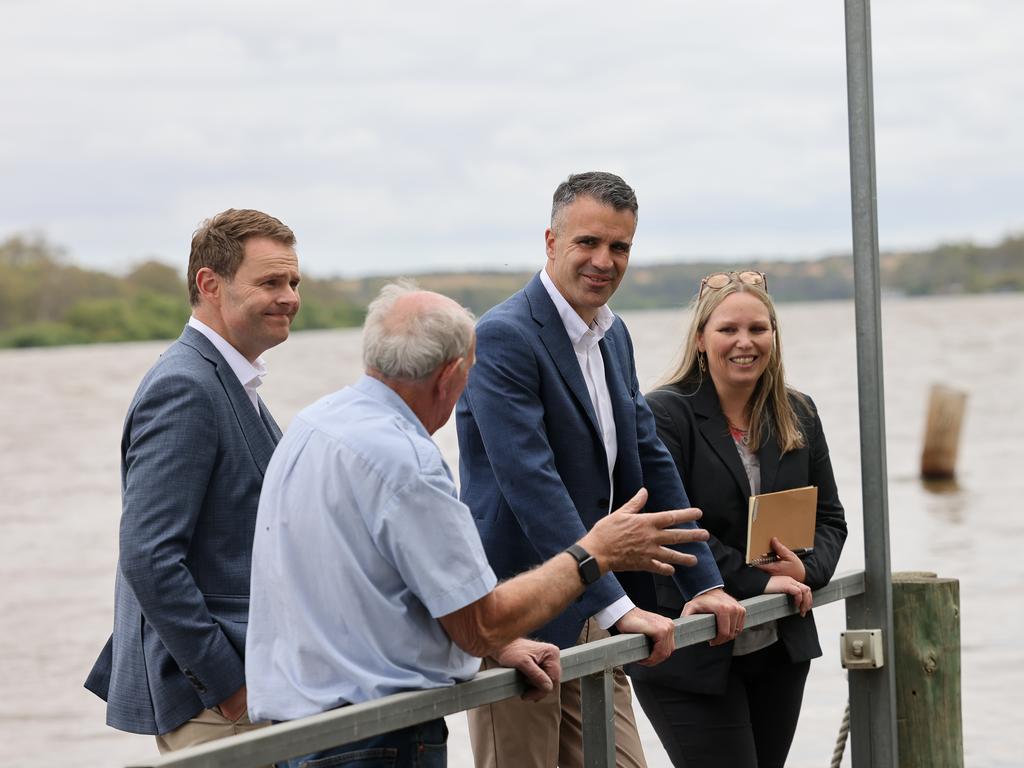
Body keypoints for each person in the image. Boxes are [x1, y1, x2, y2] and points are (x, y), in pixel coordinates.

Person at [245, 282, 710, 768]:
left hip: (296, 734)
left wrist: (500, 643)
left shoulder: (314, 425)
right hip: (377, 736)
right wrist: (595, 553)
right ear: (449, 378)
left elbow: (366, 584)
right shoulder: (408, 463)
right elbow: (479, 623)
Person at [456, 171, 746, 768]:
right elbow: (531, 486)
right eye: (588, 242)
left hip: (591, 607)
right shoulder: (503, 336)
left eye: (619, 247)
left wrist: (706, 585)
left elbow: (650, 462)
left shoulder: (613, 334)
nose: (603, 261)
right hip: (516, 616)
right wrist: (620, 607)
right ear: (551, 241)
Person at [84, 209, 301, 757]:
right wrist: (230, 688)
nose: (291, 297)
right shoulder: (185, 387)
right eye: (271, 282)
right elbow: (149, 556)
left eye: (294, 281)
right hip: (218, 707)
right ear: (210, 284)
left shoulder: (229, 377)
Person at [636, 270, 848, 768]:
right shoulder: (664, 414)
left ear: (774, 336)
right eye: (729, 329)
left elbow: (831, 520)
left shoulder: (798, 412)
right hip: (690, 651)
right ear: (701, 339)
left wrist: (802, 572)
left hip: (778, 646)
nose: (744, 342)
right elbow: (673, 529)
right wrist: (760, 581)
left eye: (758, 329)